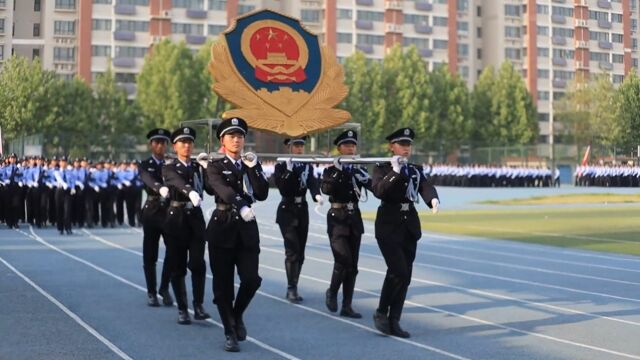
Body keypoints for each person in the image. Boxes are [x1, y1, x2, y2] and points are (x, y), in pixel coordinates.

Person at [204, 117, 269, 352]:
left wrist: (255, 170)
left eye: (240, 136)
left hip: (247, 229)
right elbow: (222, 189)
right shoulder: (215, 165)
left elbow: (262, 194)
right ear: (222, 140)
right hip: (223, 226)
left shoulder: (250, 164)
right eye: (231, 136)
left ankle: (237, 314)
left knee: (252, 279)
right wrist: (240, 204)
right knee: (223, 287)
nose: (236, 139)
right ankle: (229, 331)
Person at [371, 128, 440, 339]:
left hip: (409, 224)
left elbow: (425, 186)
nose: (406, 148)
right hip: (388, 224)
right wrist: (395, 172)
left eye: (408, 144)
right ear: (392, 146)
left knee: (405, 275)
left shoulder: (415, 169)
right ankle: (382, 311)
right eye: (401, 144)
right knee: (398, 270)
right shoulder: (382, 168)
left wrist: (432, 199)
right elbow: (379, 191)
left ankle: (394, 319)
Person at [162, 126, 210, 325]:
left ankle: (198, 305)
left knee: (198, 263)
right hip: (177, 218)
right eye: (183, 142)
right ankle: (182, 308)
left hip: (195, 218)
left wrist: (209, 170)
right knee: (177, 265)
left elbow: (210, 188)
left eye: (189, 142)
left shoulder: (198, 166)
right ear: (175, 146)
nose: (187, 146)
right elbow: (176, 181)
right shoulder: (170, 167)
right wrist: (190, 191)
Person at [321, 130, 371, 318]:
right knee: (343, 259)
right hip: (337, 217)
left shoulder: (359, 169)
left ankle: (347, 305)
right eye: (347, 145)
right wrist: (339, 171)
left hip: (354, 217)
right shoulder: (331, 170)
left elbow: (373, 187)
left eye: (353, 145)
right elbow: (326, 189)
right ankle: (332, 291)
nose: (351, 148)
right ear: (339, 148)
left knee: (353, 266)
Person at [273, 136, 323, 303]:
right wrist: (288, 170)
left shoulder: (306, 165)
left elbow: (312, 182)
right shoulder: (281, 165)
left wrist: (316, 194)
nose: (300, 148)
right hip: (287, 211)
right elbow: (282, 187)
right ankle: (290, 288)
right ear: (288, 147)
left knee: (300, 253)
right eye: (296, 145)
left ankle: (295, 283)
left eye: (302, 145)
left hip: (302, 211)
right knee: (292, 250)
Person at [138, 128, 174, 307]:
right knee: (150, 254)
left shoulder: (171, 164)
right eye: (156, 142)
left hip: (169, 211)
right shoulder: (145, 164)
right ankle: (151, 291)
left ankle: (164, 287)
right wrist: (160, 187)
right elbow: (147, 179)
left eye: (163, 142)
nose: (160, 145)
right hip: (152, 211)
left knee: (173, 251)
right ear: (151, 144)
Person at [53, 156, 76, 235]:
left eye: (65, 162)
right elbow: (59, 179)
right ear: (59, 163)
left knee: (67, 211)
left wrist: (73, 188)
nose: (63, 163)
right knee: (59, 210)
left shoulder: (70, 172)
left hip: (68, 192)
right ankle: (60, 228)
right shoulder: (57, 171)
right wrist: (64, 184)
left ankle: (68, 228)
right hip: (59, 191)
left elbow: (73, 181)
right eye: (62, 161)